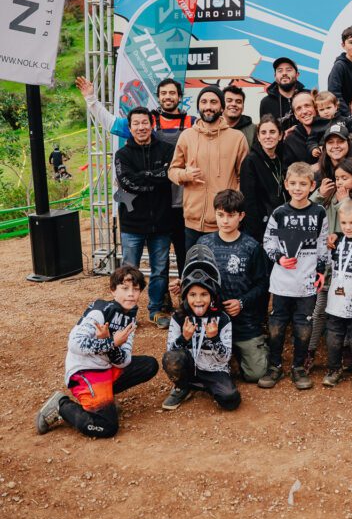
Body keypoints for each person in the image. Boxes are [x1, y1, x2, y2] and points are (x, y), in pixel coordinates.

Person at [76, 74, 194, 275]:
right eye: (164, 93)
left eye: (172, 93)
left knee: (185, 253)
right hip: (160, 203)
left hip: (185, 200)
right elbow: (111, 123)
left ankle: (187, 290)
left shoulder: (193, 123)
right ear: (158, 97)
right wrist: (91, 100)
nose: (168, 96)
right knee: (158, 262)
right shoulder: (145, 122)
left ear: (179, 96)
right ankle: (153, 292)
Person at [35, 265, 158, 438]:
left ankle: (104, 397)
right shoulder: (100, 311)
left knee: (149, 365)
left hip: (105, 368)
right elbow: (75, 343)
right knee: (106, 427)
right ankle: (61, 405)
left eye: (136, 289)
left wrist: (111, 345)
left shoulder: (130, 318)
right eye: (125, 288)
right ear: (113, 291)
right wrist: (111, 342)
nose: (131, 294)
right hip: (84, 371)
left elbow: (124, 361)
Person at [259, 162, 328, 390]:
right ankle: (275, 365)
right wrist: (279, 258)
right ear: (286, 185)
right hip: (282, 281)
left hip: (307, 281)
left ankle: (298, 367)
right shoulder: (279, 213)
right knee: (277, 324)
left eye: (303, 184)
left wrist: (320, 271)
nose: (298, 188)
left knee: (303, 325)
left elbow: (322, 244)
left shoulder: (319, 213)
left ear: (312, 186)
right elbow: (268, 241)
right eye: (294, 183)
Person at [196, 190, 270, 383]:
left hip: (244, 322)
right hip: (212, 321)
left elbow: (263, 284)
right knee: (204, 368)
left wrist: (242, 302)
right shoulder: (204, 244)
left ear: (241, 216)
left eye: (230, 215)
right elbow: (195, 279)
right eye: (220, 215)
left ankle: (250, 349)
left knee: (256, 374)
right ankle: (227, 357)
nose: (225, 221)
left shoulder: (252, 246)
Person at [114, 106, 175, 328]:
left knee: (160, 270)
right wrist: (153, 179)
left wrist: (143, 177)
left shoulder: (167, 150)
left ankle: (156, 310)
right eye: (136, 124)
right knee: (129, 271)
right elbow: (127, 182)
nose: (141, 127)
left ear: (152, 124)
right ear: (130, 128)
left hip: (161, 221)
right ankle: (126, 313)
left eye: (145, 123)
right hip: (132, 223)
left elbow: (168, 176)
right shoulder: (122, 155)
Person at [307, 155, 352, 370]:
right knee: (320, 309)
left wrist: (344, 202)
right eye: (337, 178)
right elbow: (308, 209)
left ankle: (348, 352)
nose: (340, 182)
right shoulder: (328, 198)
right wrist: (319, 194)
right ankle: (310, 351)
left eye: (345, 177)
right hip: (330, 266)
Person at [168, 85, 249, 250]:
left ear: (222, 107)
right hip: (192, 223)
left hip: (224, 222)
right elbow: (172, 171)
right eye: (203, 102)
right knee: (194, 265)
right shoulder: (187, 136)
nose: (208, 107)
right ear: (198, 106)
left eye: (213, 102)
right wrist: (185, 175)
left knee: (222, 266)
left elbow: (245, 177)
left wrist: (232, 206)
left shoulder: (237, 138)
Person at [161, 247, 241, 412]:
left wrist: (214, 339)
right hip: (189, 368)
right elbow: (170, 354)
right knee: (172, 358)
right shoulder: (179, 317)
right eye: (192, 295)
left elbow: (225, 358)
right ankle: (183, 386)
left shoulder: (222, 319)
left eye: (204, 294)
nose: (198, 300)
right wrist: (184, 338)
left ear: (212, 296)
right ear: (185, 296)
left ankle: (206, 386)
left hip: (214, 369)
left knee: (230, 400)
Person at [322, 199, 352, 388]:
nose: (348, 227)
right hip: (336, 298)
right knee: (334, 334)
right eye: (344, 223)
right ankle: (334, 369)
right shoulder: (336, 240)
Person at [239, 116, 287, 243]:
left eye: (272, 132)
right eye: (263, 132)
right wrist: (258, 234)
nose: (268, 136)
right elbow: (249, 201)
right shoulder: (250, 161)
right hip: (261, 228)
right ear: (258, 137)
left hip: (281, 223)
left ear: (280, 135)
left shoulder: (281, 159)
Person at [260, 57, 306, 127]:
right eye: (280, 71)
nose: (284, 73)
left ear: (297, 74)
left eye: (288, 70)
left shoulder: (309, 96)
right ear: (275, 76)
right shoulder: (266, 102)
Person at [282, 92, 321, 165]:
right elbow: (289, 169)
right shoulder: (290, 140)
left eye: (307, 106)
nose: (304, 111)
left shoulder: (330, 130)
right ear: (296, 115)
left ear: (315, 108)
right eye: (299, 108)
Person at [223, 83, 256, 147]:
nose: (234, 104)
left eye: (238, 102)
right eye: (229, 101)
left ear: (243, 107)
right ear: (221, 104)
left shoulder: (253, 130)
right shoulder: (213, 127)